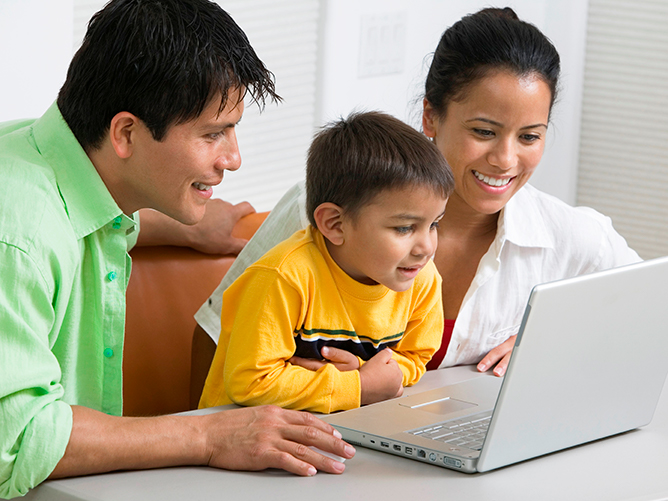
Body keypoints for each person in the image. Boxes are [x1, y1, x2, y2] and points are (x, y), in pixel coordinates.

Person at [0, 1, 354, 498]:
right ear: (126, 132)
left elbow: (67, 215)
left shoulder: (40, 156)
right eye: (213, 134)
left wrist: (171, 225)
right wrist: (209, 434)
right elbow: (14, 440)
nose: (233, 158)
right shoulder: (17, 237)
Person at [192, 6, 640, 395]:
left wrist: (557, 339)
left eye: (530, 137)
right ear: (431, 115)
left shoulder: (573, 238)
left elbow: (647, 320)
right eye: (483, 131)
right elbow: (214, 338)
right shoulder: (329, 206)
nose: (505, 160)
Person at [199, 112, 454, 413]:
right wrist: (359, 385)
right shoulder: (283, 277)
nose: (426, 247)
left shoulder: (421, 278)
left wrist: (364, 371)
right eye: (404, 228)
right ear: (334, 224)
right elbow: (252, 382)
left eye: (434, 224)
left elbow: (415, 357)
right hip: (239, 436)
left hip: (333, 428)